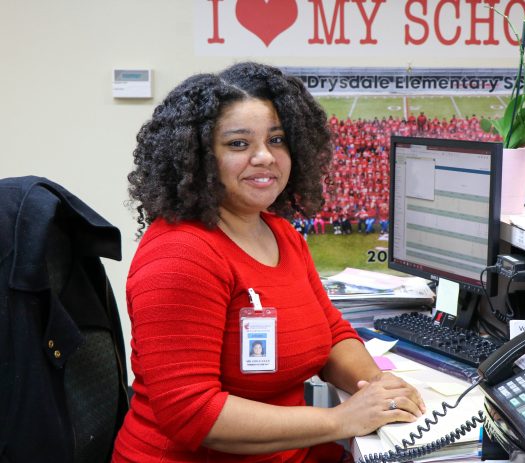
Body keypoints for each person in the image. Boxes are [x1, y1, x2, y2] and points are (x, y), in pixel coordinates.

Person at [114, 61, 425, 463]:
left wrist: (379, 387)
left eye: (277, 140)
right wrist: (341, 419)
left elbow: (333, 334)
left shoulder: (280, 233)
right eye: (239, 144)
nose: (264, 156)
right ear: (199, 158)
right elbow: (193, 413)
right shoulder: (179, 255)